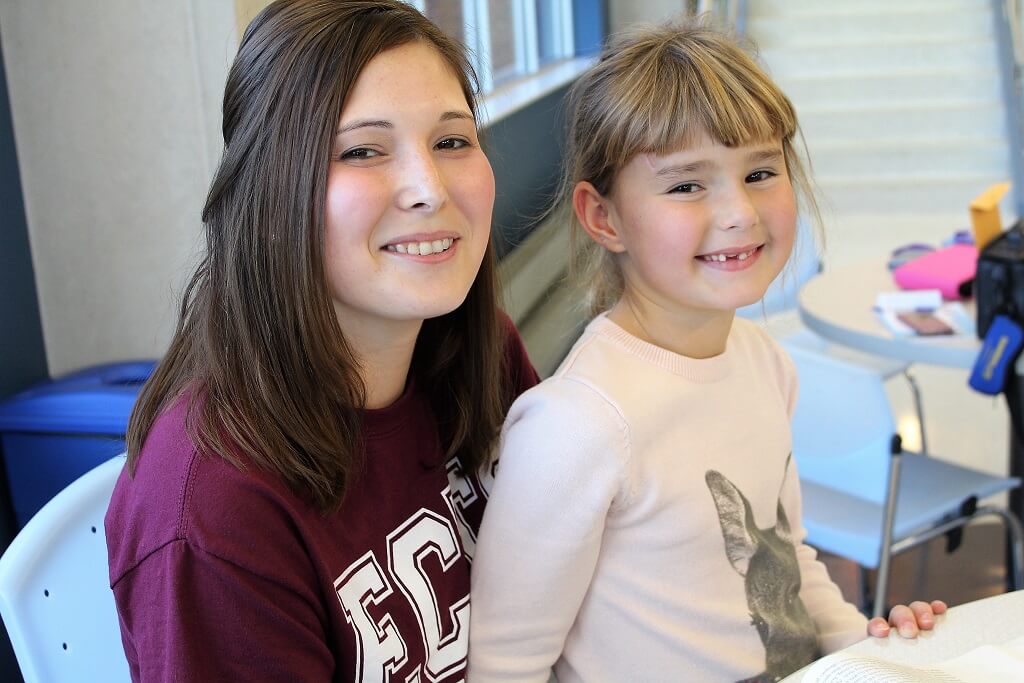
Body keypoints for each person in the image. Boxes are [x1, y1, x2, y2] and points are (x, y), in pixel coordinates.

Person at [468, 19, 945, 683]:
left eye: (759, 171)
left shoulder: (761, 359)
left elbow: (791, 558)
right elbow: (504, 665)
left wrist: (869, 650)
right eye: (687, 184)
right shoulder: (578, 423)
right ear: (604, 218)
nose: (740, 213)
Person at [104, 1, 538, 680]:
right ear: (271, 196)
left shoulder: (477, 354)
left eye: (452, 140)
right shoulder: (213, 508)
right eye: (363, 150)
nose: (430, 188)